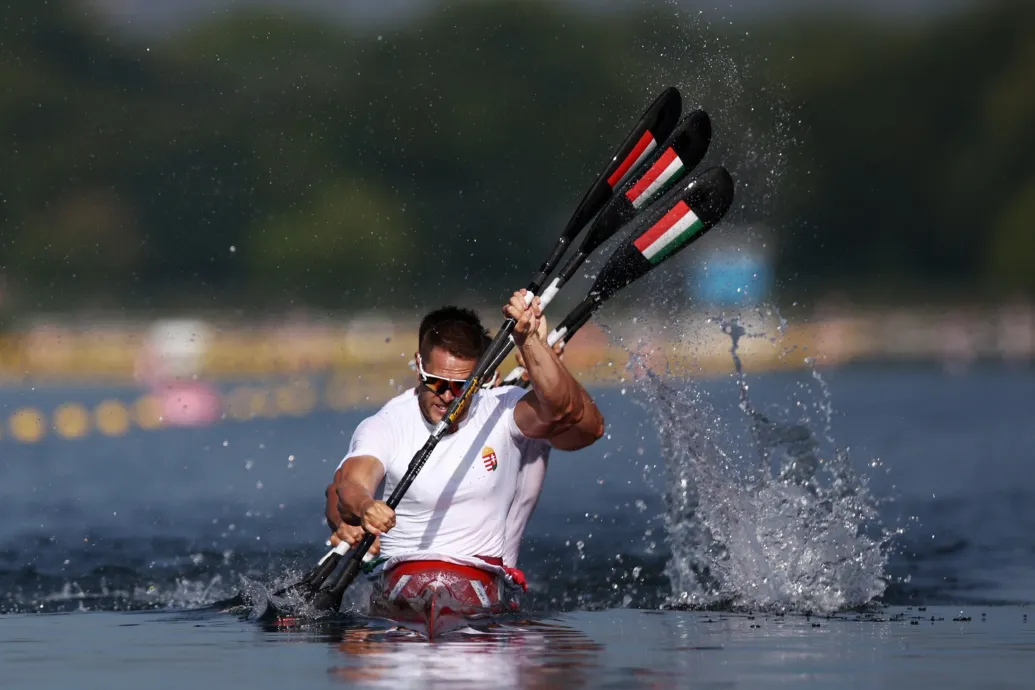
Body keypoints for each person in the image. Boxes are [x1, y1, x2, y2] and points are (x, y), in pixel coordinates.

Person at [325, 292, 603, 617]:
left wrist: (536, 349)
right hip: (401, 576)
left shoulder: (503, 408)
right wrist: (361, 508)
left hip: (487, 576)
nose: (447, 397)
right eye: (436, 383)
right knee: (356, 667)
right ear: (419, 367)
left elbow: (580, 423)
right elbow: (345, 484)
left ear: (480, 378)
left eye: (461, 386)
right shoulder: (388, 423)